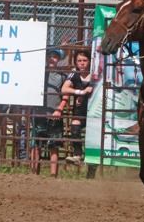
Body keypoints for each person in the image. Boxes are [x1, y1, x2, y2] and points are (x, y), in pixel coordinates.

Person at [29, 48, 67, 177]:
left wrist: (59, 109)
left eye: (55, 56)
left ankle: (53, 174)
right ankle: (34, 172)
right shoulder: (38, 73)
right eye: (50, 56)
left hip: (54, 114)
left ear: (58, 59)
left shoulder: (62, 76)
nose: (52, 59)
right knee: (36, 144)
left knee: (53, 145)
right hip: (39, 113)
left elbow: (65, 95)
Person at [61, 50, 97, 179]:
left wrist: (90, 91)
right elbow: (64, 88)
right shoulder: (74, 74)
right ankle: (77, 155)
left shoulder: (94, 74)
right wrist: (81, 92)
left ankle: (91, 171)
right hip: (80, 110)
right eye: (79, 61)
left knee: (94, 138)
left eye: (84, 60)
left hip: (95, 111)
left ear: (89, 61)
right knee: (74, 125)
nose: (82, 63)